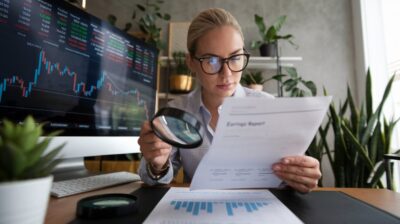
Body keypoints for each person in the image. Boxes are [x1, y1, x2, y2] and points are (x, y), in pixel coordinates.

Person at [138, 8, 321, 193]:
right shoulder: (176, 112)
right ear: (191, 62)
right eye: (211, 60)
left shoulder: (269, 107)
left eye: (235, 58)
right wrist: (157, 165)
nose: (227, 74)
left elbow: (293, 172)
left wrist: (301, 175)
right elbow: (156, 179)